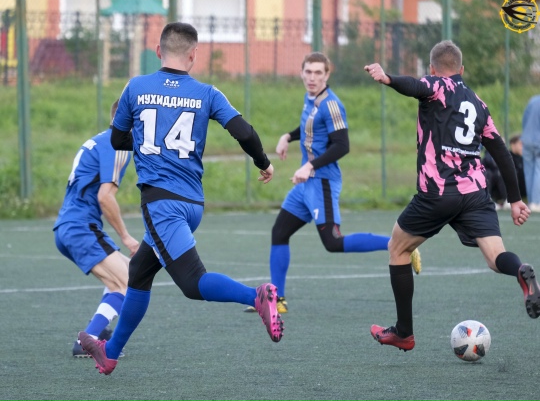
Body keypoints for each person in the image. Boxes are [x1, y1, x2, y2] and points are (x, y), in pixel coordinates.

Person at [78, 22, 284, 375]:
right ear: (194, 55)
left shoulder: (135, 87)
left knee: (191, 283)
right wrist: (263, 163)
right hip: (192, 204)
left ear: (158, 51)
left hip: (161, 204)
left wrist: (147, 141)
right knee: (139, 273)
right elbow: (245, 132)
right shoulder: (208, 93)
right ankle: (110, 353)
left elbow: (117, 139)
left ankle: (257, 295)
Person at [364, 40, 540, 352]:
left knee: (398, 249)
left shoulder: (436, 85)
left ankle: (404, 332)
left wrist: (388, 78)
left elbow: (413, 86)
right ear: (462, 69)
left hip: (437, 192)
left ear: (432, 69)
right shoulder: (478, 103)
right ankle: (520, 270)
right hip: (476, 193)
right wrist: (515, 200)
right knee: (495, 257)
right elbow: (501, 151)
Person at [244, 52, 421, 315]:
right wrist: (287, 137)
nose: (312, 77)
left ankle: (400, 244)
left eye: (318, 73)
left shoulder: (332, 105)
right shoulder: (311, 98)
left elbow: (342, 145)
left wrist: (310, 166)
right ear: (301, 73)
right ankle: (277, 300)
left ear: (327, 75)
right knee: (279, 233)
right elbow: (310, 128)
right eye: (308, 72)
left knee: (333, 242)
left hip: (322, 183)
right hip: (305, 185)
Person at [53, 100, 140, 358]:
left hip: (69, 226)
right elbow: (105, 197)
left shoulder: (99, 140)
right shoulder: (119, 145)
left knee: (129, 274)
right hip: (80, 227)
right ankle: (87, 340)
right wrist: (126, 237)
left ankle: (98, 332)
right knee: (127, 282)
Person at [482, 134, 526, 209]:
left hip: (515, 189)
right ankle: (490, 200)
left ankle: (508, 200)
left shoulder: (521, 159)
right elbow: (488, 164)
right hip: (494, 185)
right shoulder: (488, 155)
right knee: (495, 174)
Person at [522, 95, 540, 212]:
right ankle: (536, 202)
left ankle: (531, 200)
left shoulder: (533, 100)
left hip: (527, 139)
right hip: (538, 141)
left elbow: (525, 119)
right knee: (538, 170)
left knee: (528, 171)